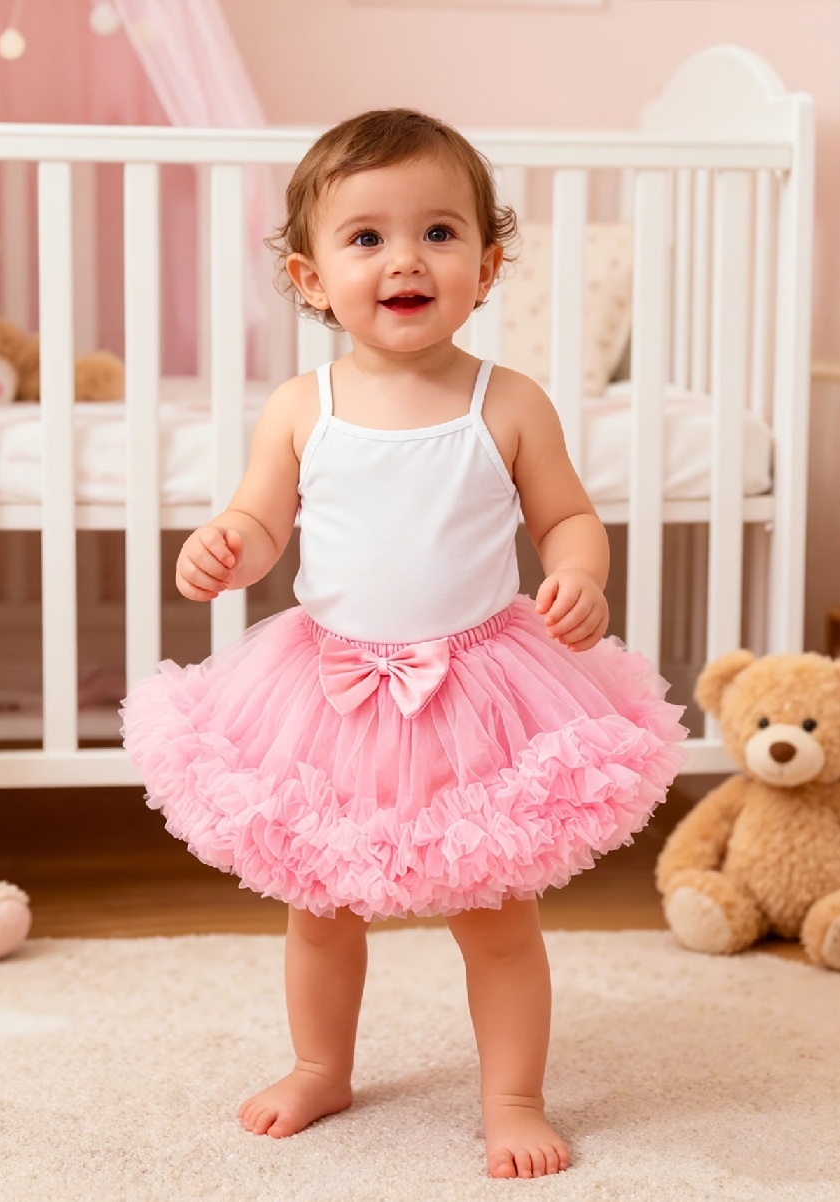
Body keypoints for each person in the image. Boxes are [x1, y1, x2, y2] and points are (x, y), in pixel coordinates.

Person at [121, 108, 687, 1180]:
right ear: (310, 276)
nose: (405, 259)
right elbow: (261, 521)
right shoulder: (304, 406)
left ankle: (511, 1095)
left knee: (495, 916)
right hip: (327, 693)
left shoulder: (505, 401)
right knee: (321, 911)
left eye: (438, 232)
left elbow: (567, 515)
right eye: (366, 237)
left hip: (479, 690)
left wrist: (579, 572)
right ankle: (319, 1065)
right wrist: (227, 547)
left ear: (487, 265)